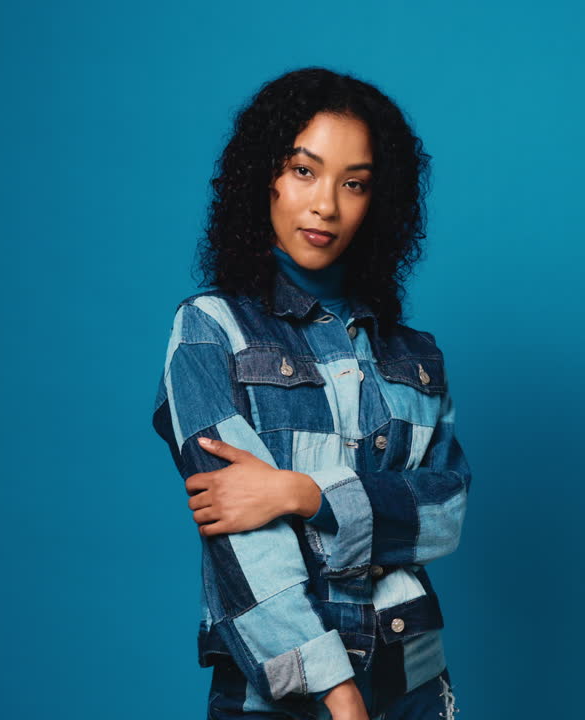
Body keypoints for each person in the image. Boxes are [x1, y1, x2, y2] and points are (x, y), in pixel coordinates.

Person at [151, 67, 470, 719]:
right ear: (263, 175)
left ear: (377, 203)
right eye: (304, 170)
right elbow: (244, 546)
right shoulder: (211, 332)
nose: (326, 204)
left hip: (414, 680)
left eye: (353, 184)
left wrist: (301, 493)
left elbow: (445, 513)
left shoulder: (415, 356)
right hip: (284, 695)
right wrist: (337, 691)